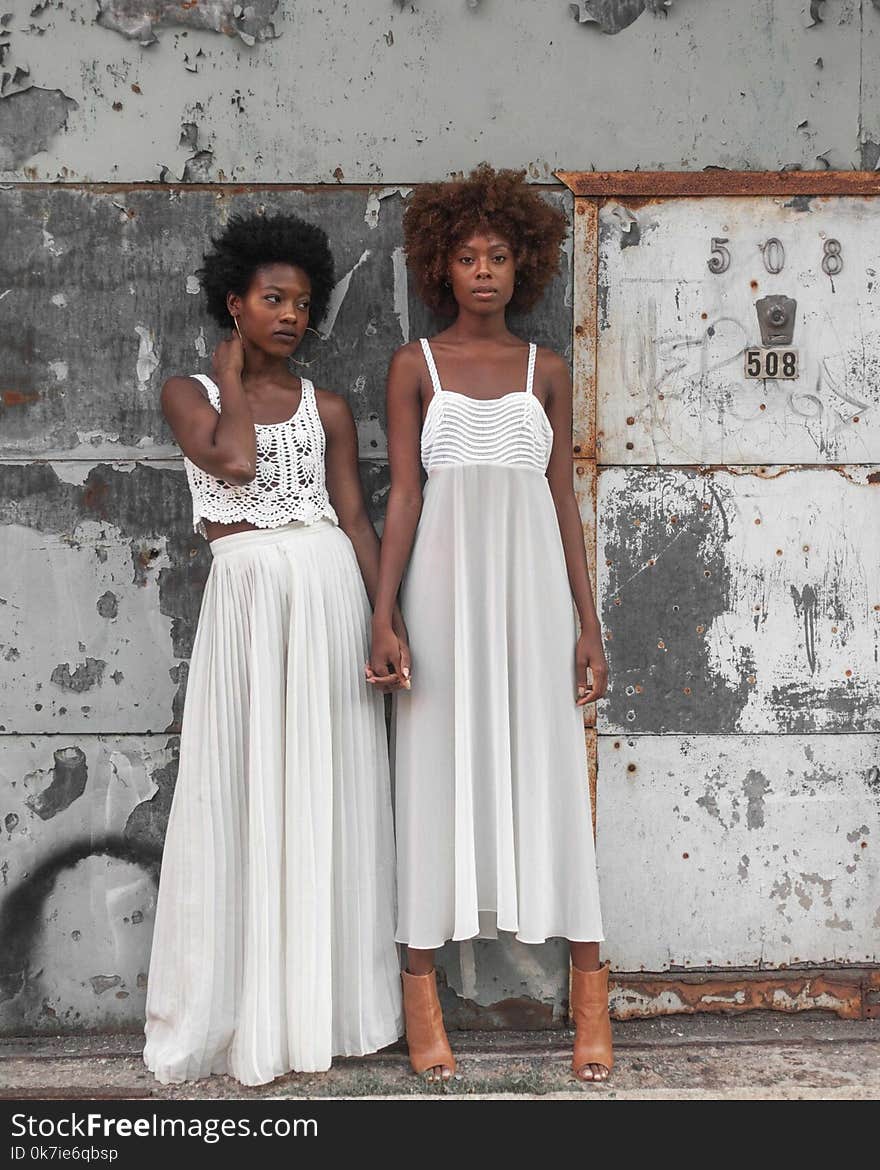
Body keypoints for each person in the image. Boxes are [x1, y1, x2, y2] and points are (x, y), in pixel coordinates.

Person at [144, 212, 403, 1086]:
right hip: (249, 599)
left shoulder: (328, 406)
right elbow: (237, 467)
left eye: (302, 303)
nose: (291, 315)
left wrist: (382, 617)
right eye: (273, 299)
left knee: (325, 789)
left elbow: (356, 517)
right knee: (246, 786)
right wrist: (225, 376)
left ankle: (323, 1010)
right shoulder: (188, 392)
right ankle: (244, 1010)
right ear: (235, 302)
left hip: (328, 591)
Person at [368, 166, 612, 1084]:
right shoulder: (413, 365)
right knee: (433, 781)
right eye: (467, 256)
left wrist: (588, 626)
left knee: (549, 774)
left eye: (499, 256)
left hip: (534, 599)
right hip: (437, 594)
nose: (482, 271)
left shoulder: (546, 371)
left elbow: (562, 502)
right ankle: (421, 999)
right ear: (443, 264)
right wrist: (384, 614)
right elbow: (402, 498)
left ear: (524, 267)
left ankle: (591, 993)